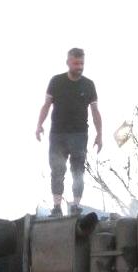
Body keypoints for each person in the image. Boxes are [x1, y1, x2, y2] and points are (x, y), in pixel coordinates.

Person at [34, 47, 102, 217]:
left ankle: (76, 205)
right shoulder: (56, 81)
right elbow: (46, 105)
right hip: (58, 133)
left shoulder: (88, 84)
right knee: (57, 169)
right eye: (76, 63)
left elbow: (95, 111)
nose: (79, 66)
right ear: (68, 62)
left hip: (79, 134)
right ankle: (57, 207)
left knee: (78, 170)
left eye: (82, 63)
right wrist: (39, 124)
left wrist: (99, 134)